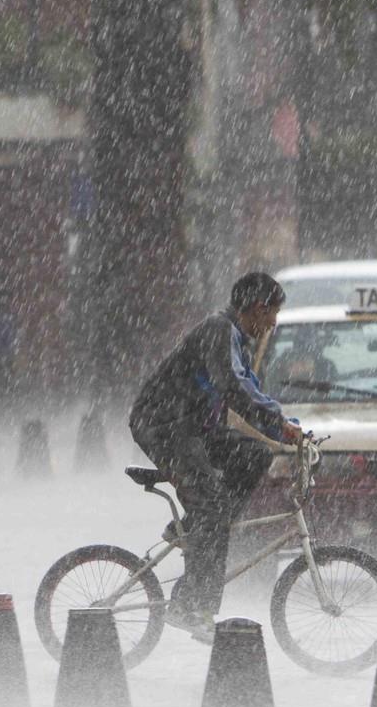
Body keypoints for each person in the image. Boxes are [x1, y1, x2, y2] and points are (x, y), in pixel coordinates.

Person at [129, 272, 302, 643]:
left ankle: (196, 527)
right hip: (165, 425)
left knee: (254, 455)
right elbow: (234, 386)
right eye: (272, 314)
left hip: (196, 428)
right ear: (257, 308)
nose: (273, 323)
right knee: (211, 506)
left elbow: (250, 387)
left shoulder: (237, 339)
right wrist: (276, 423)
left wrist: (280, 425)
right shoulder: (218, 330)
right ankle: (191, 605)